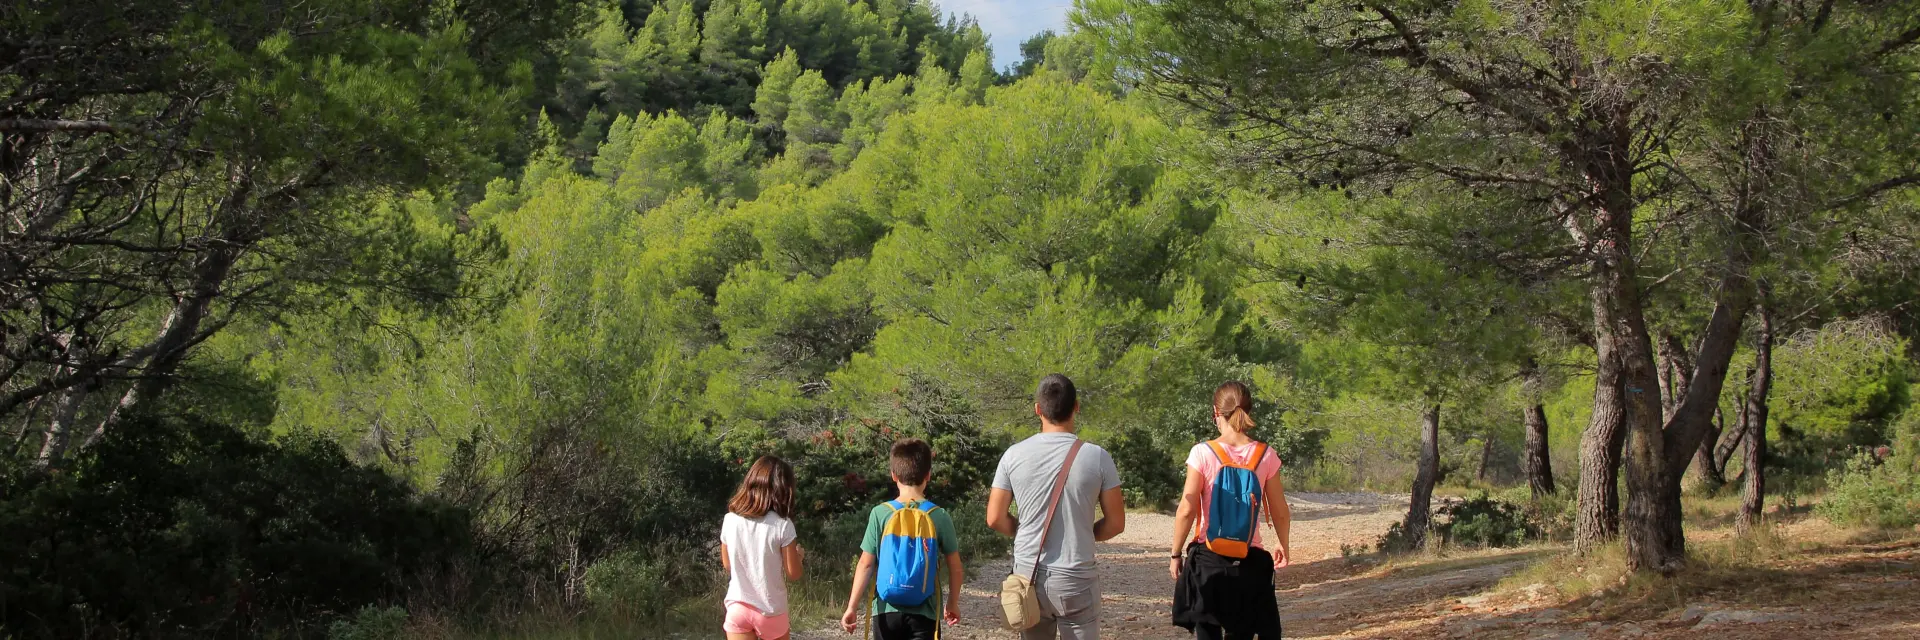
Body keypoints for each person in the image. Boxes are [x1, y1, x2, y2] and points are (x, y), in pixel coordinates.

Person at [987, 373, 1126, 640]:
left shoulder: (1013, 455)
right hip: (1077, 576)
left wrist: (1024, 531)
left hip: (1028, 573)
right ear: (1076, 406)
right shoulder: (1098, 457)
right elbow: (1116, 523)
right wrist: (1085, 532)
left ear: (1038, 409)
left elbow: (994, 518)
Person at [1169, 381, 1291, 640]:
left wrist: (1176, 554)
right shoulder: (1265, 455)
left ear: (1216, 412)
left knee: (1207, 631)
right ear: (1249, 410)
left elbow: (1187, 508)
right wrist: (1284, 545)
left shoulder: (1202, 452)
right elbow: (1280, 511)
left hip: (1208, 561)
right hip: (1249, 562)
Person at [840, 438, 965, 639]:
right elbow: (955, 567)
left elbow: (865, 564)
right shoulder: (939, 516)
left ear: (894, 475)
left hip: (886, 610)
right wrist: (952, 603)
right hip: (925, 612)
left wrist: (852, 606)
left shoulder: (880, 513)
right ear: (928, 475)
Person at [721, 456, 806, 640]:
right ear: (784, 489)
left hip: (738, 607)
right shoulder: (783, 525)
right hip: (771, 610)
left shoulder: (730, 520)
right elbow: (794, 574)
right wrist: (799, 558)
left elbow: (728, 565)